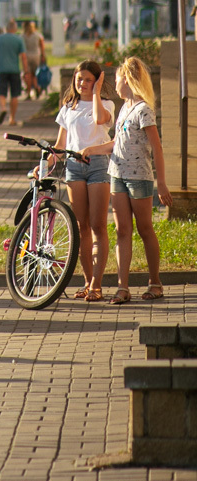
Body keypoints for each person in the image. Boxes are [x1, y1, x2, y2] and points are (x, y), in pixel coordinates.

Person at [80, 58, 170, 304]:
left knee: (144, 229)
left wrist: (161, 183)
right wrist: (92, 149)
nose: (114, 83)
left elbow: (157, 148)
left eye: (117, 78)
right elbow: (117, 144)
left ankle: (155, 282)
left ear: (127, 80)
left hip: (139, 178)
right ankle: (123, 287)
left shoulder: (143, 110)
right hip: (117, 176)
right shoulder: (123, 108)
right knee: (122, 231)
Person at [49, 61, 114, 303]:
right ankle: (87, 282)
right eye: (79, 79)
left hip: (97, 166)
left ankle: (97, 284)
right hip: (74, 168)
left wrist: (96, 93)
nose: (82, 84)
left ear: (97, 81)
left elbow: (100, 121)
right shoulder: (69, 107)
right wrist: (43, 165)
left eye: (88, 79)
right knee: (81, 226)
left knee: (98, 226)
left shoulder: (106, 104)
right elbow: (60, 144)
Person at [0, 20, 29, 127]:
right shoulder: (18, 39)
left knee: (1, 91)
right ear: (15, 29)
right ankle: (12, 119)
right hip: (14, 70)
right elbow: (23, 57)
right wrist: (26, 71)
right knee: (15, 94)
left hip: (1, 70)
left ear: (6, 29)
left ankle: (3, 108)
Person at [22, 21, 47, 99]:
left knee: (27, 74)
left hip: (26, 56)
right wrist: (43, 55)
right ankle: (37, 88)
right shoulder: (37, 35)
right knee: (35, 74)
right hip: (36, 55)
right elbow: (42, 46)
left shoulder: (22, 36)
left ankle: (28, 92)